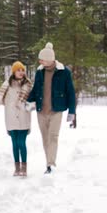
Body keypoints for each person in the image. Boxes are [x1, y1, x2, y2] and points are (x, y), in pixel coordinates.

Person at [27, 42, 76, 174]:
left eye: (41, 58)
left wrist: (72, 111)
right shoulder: (39, 72)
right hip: (41, 111)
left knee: (53, 136)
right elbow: (35, 90)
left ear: (49, 59)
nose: (39, 60)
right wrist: (28, 101)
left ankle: (51, 164)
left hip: (56, 110)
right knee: (45, 138)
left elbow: (70, 92)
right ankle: (48, 161)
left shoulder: (63, 72)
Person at [0, 61, 33, 177]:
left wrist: (29, 106)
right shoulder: (7, 84)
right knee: (14, 143)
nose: (21, 72)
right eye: (18, 70)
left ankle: (24, 168)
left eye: (22, 70)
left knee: (21, 142)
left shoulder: (28, 85)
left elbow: (33, 101)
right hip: (10, 116)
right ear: (14, 71)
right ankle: (17, 168)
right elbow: (0, 98)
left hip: (23, 116)